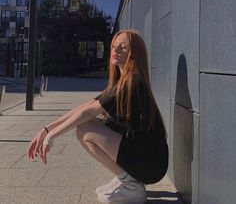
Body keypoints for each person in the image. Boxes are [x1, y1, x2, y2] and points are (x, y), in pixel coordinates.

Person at [27, 29, 169, 204]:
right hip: (145, 157)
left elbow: (86, 112)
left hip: (150, 164)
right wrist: (46, 129)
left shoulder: (132, 82)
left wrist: (50, 136)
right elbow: (83, 107)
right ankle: (125, 179)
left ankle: (132, 186)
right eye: (114, 46)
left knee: (86, 128)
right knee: (87, 124)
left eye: (123, 48)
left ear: (135, 53)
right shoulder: (123, 81)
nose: (115, 51)